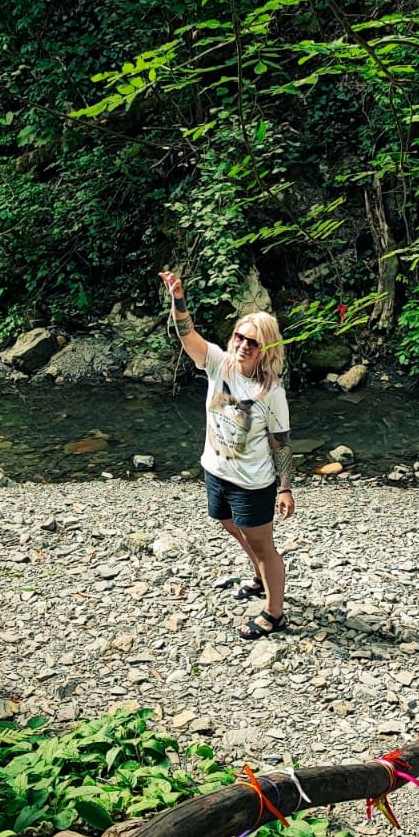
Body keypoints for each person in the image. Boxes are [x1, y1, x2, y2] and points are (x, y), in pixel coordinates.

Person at [159, 269, 294, 640]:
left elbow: (281, 442)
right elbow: (186, 333)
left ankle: (275, 612)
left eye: (253, 342)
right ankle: (259, 575)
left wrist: (284, 488)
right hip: (216, 471)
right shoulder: (218, 363)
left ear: (265, 349)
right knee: (231, 527)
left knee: (262, 543)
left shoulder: (271, 391)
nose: (243, 345)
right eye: (240, 336)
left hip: (252, 483)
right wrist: (178, 296)